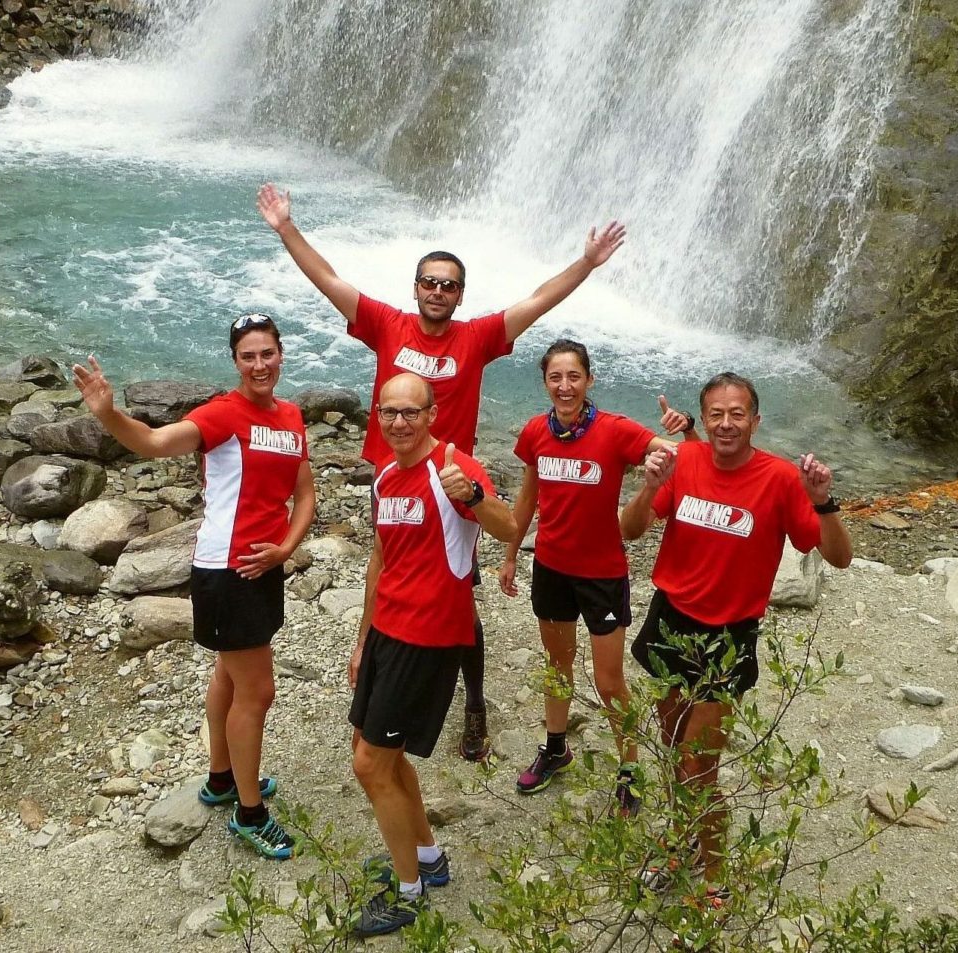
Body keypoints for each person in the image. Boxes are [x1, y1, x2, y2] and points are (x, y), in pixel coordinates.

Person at [258, 181, 626, 761]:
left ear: (459, 296)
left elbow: (537, 301)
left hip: (453, 487)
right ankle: (378, 673)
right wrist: (285, 229)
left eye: (448, 285)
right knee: (388, 574)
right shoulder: (386, 323)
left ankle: (473, 703)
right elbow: (329, 280)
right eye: (429, 282)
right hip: (389, 480)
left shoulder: (476, 337)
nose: (437, 291)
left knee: (459, 593)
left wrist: (585, 262)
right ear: (416, 288)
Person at [72, 314, 316, 861]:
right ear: (235, 362)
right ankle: (250, 815)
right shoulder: (223, 415)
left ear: (281, 355)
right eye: (248, 356)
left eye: (267, 354)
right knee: (258, 692)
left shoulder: (292, 416)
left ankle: (223, 779)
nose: (259, 365)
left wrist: (286, 549)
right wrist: (109, 413)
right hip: (225, 570)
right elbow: (156, 443)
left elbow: (304, 495)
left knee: (231, 674)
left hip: (263, 565)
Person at [619, 371, 852, 908]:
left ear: (754, 419)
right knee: (674, 745)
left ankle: (713, 877)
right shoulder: (686, 460)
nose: (727, 424)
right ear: (706, 418)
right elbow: (630, 531)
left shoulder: (777, 479)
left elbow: (839, 558)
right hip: (672, 619)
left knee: (702, 763)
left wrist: (824, 500)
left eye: (737, 414)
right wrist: (650, 483)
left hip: (728, 635)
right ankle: (682, 842)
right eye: (717, 414)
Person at [347, 372, 517, 936]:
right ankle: (425, 858)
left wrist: (471, 495)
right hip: (388, 633)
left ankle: (407, 893)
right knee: (381, 758)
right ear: (379, 416)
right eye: (389, 412)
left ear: (432, 414)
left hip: (429, 639)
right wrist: (361, 638)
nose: (399, 422)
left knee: (370, 764)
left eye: (410, 413)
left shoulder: (454, 468)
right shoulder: (385, 477)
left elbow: (509, 525)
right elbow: (380, 561)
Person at [497, 339, 698, 814]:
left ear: (589, 380)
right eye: (555, 378)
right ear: (545, 382)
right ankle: (555, 747)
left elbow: (679, 457)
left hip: (602, 574)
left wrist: (685, 428)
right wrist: (510, 554)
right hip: (550, 567)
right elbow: (528, 498)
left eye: (573, 377)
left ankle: (629, 768)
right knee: (557, 666)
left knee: (609, 681)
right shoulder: (535, 433)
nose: (564, 387)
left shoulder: (614, 431)